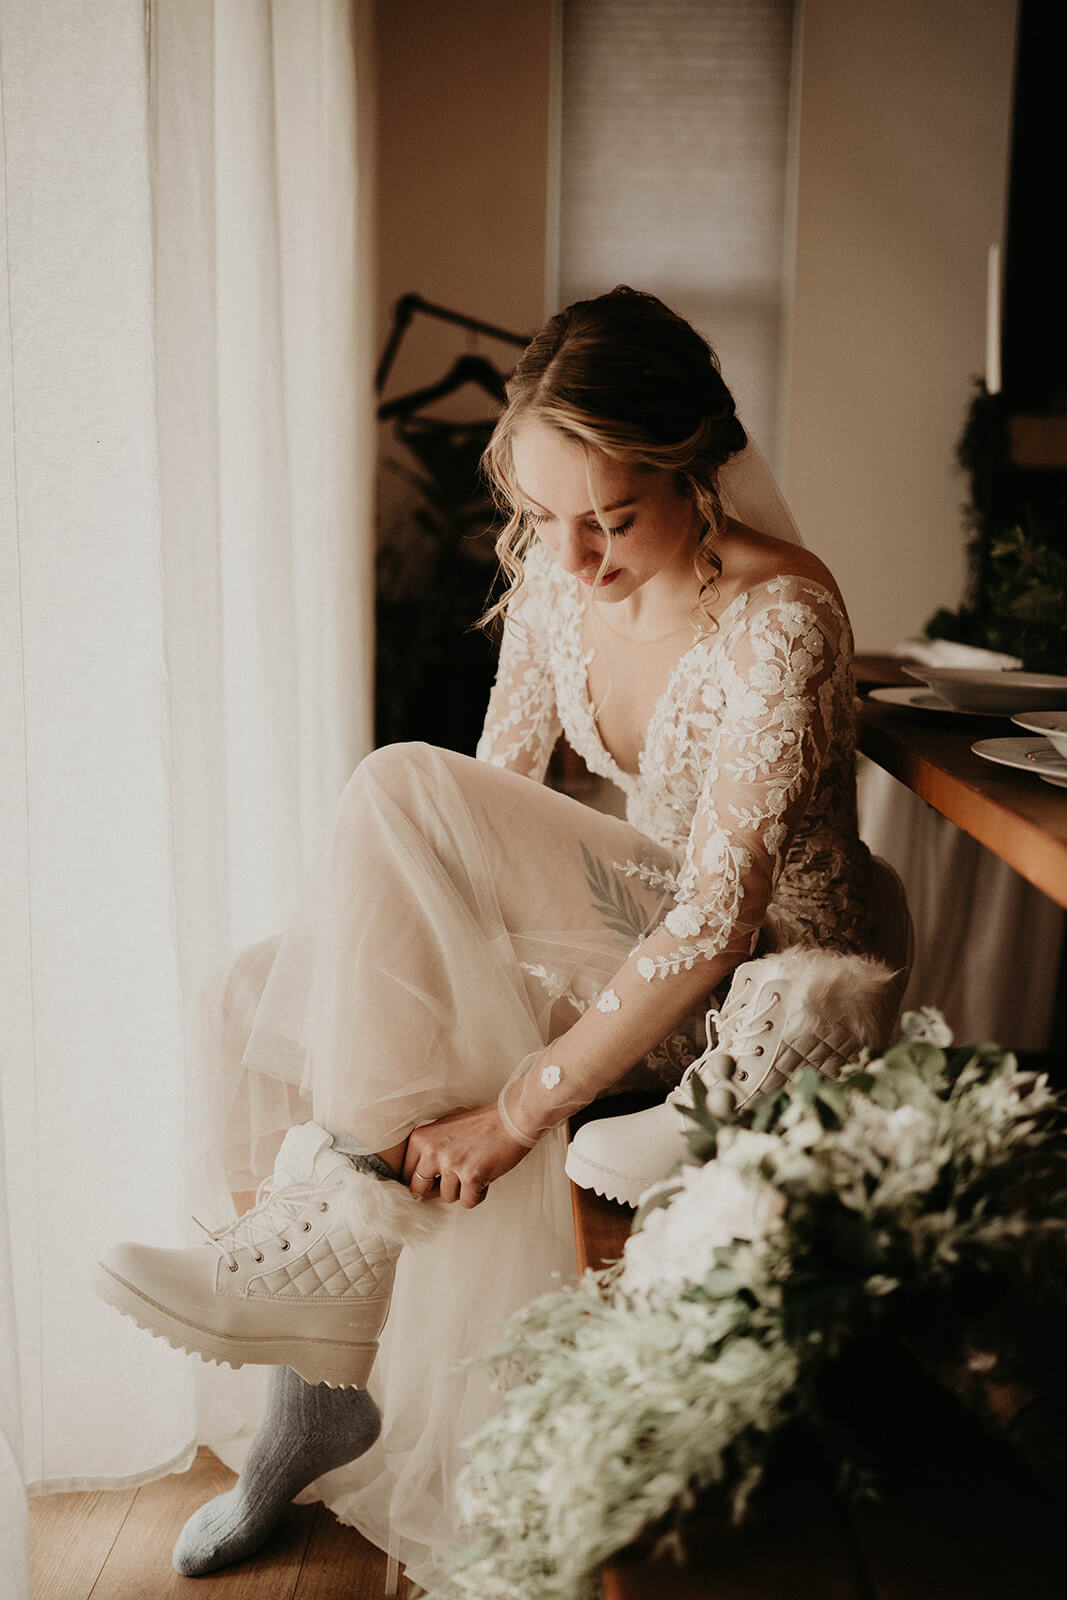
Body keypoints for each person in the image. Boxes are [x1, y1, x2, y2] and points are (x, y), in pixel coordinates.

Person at [95, 287, 896, 1587]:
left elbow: (712, 915)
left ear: (699, 466)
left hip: (750, 971)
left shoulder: (779, 619)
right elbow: (482, 815)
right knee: (245, 997)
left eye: (613, 518)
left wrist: (516, 1106)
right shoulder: (557, 584)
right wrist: (472, 976)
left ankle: (349, 1224)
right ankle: (316, 1384)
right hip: (624, 914)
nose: (573, 560)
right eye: (542, 518)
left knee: (394, 789)